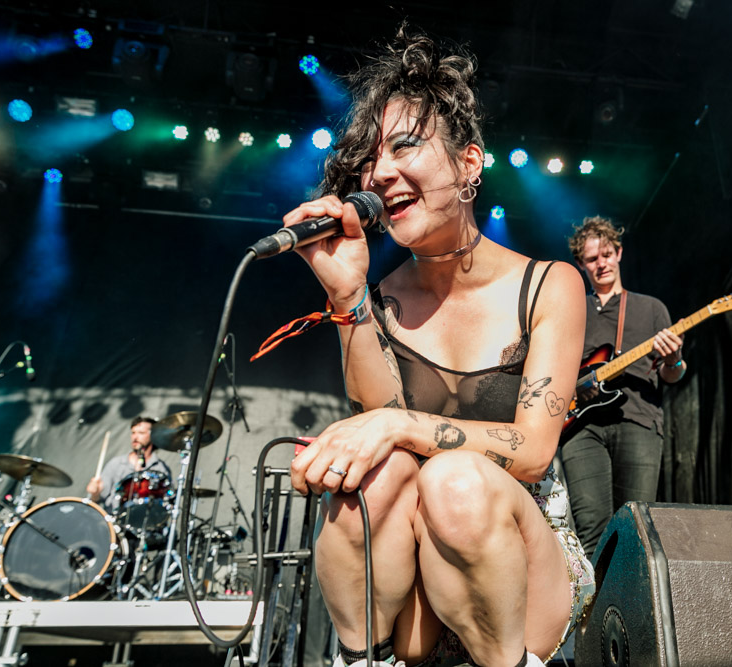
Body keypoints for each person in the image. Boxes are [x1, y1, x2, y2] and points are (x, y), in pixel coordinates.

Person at [284, 26, 594, 667]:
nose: (382, 173)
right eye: (370, 161)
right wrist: (348, 295)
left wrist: (400, 424)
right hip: (417, 580)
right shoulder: (381, 300)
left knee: (455, 481)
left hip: (526, 567)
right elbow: (378, 423)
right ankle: (361, 657)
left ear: (468, 164)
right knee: (376, 475)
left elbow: (533, 453)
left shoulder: (547, 285)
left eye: (405, 146)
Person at [559, 216, 686, 559]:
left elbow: (672, 376)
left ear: (619, 253)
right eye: (591, 259)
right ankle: (595, 610)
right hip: (580, 429)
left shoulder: (651, 308)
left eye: (606, 254)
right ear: (580, 265)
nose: (601, 264)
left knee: (637, 528)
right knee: (592, 531)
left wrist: (673, 358)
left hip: (638, 421)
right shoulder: (571, 310)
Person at [86, 416, 172, 516]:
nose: (135, 437)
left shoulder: (161, 468)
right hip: (114, 523)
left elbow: (167, 501)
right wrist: (95, 493)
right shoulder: (116, 463)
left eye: (141, 433)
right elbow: (97, 500)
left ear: (153, 436)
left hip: (146, 521)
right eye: (133, 433)